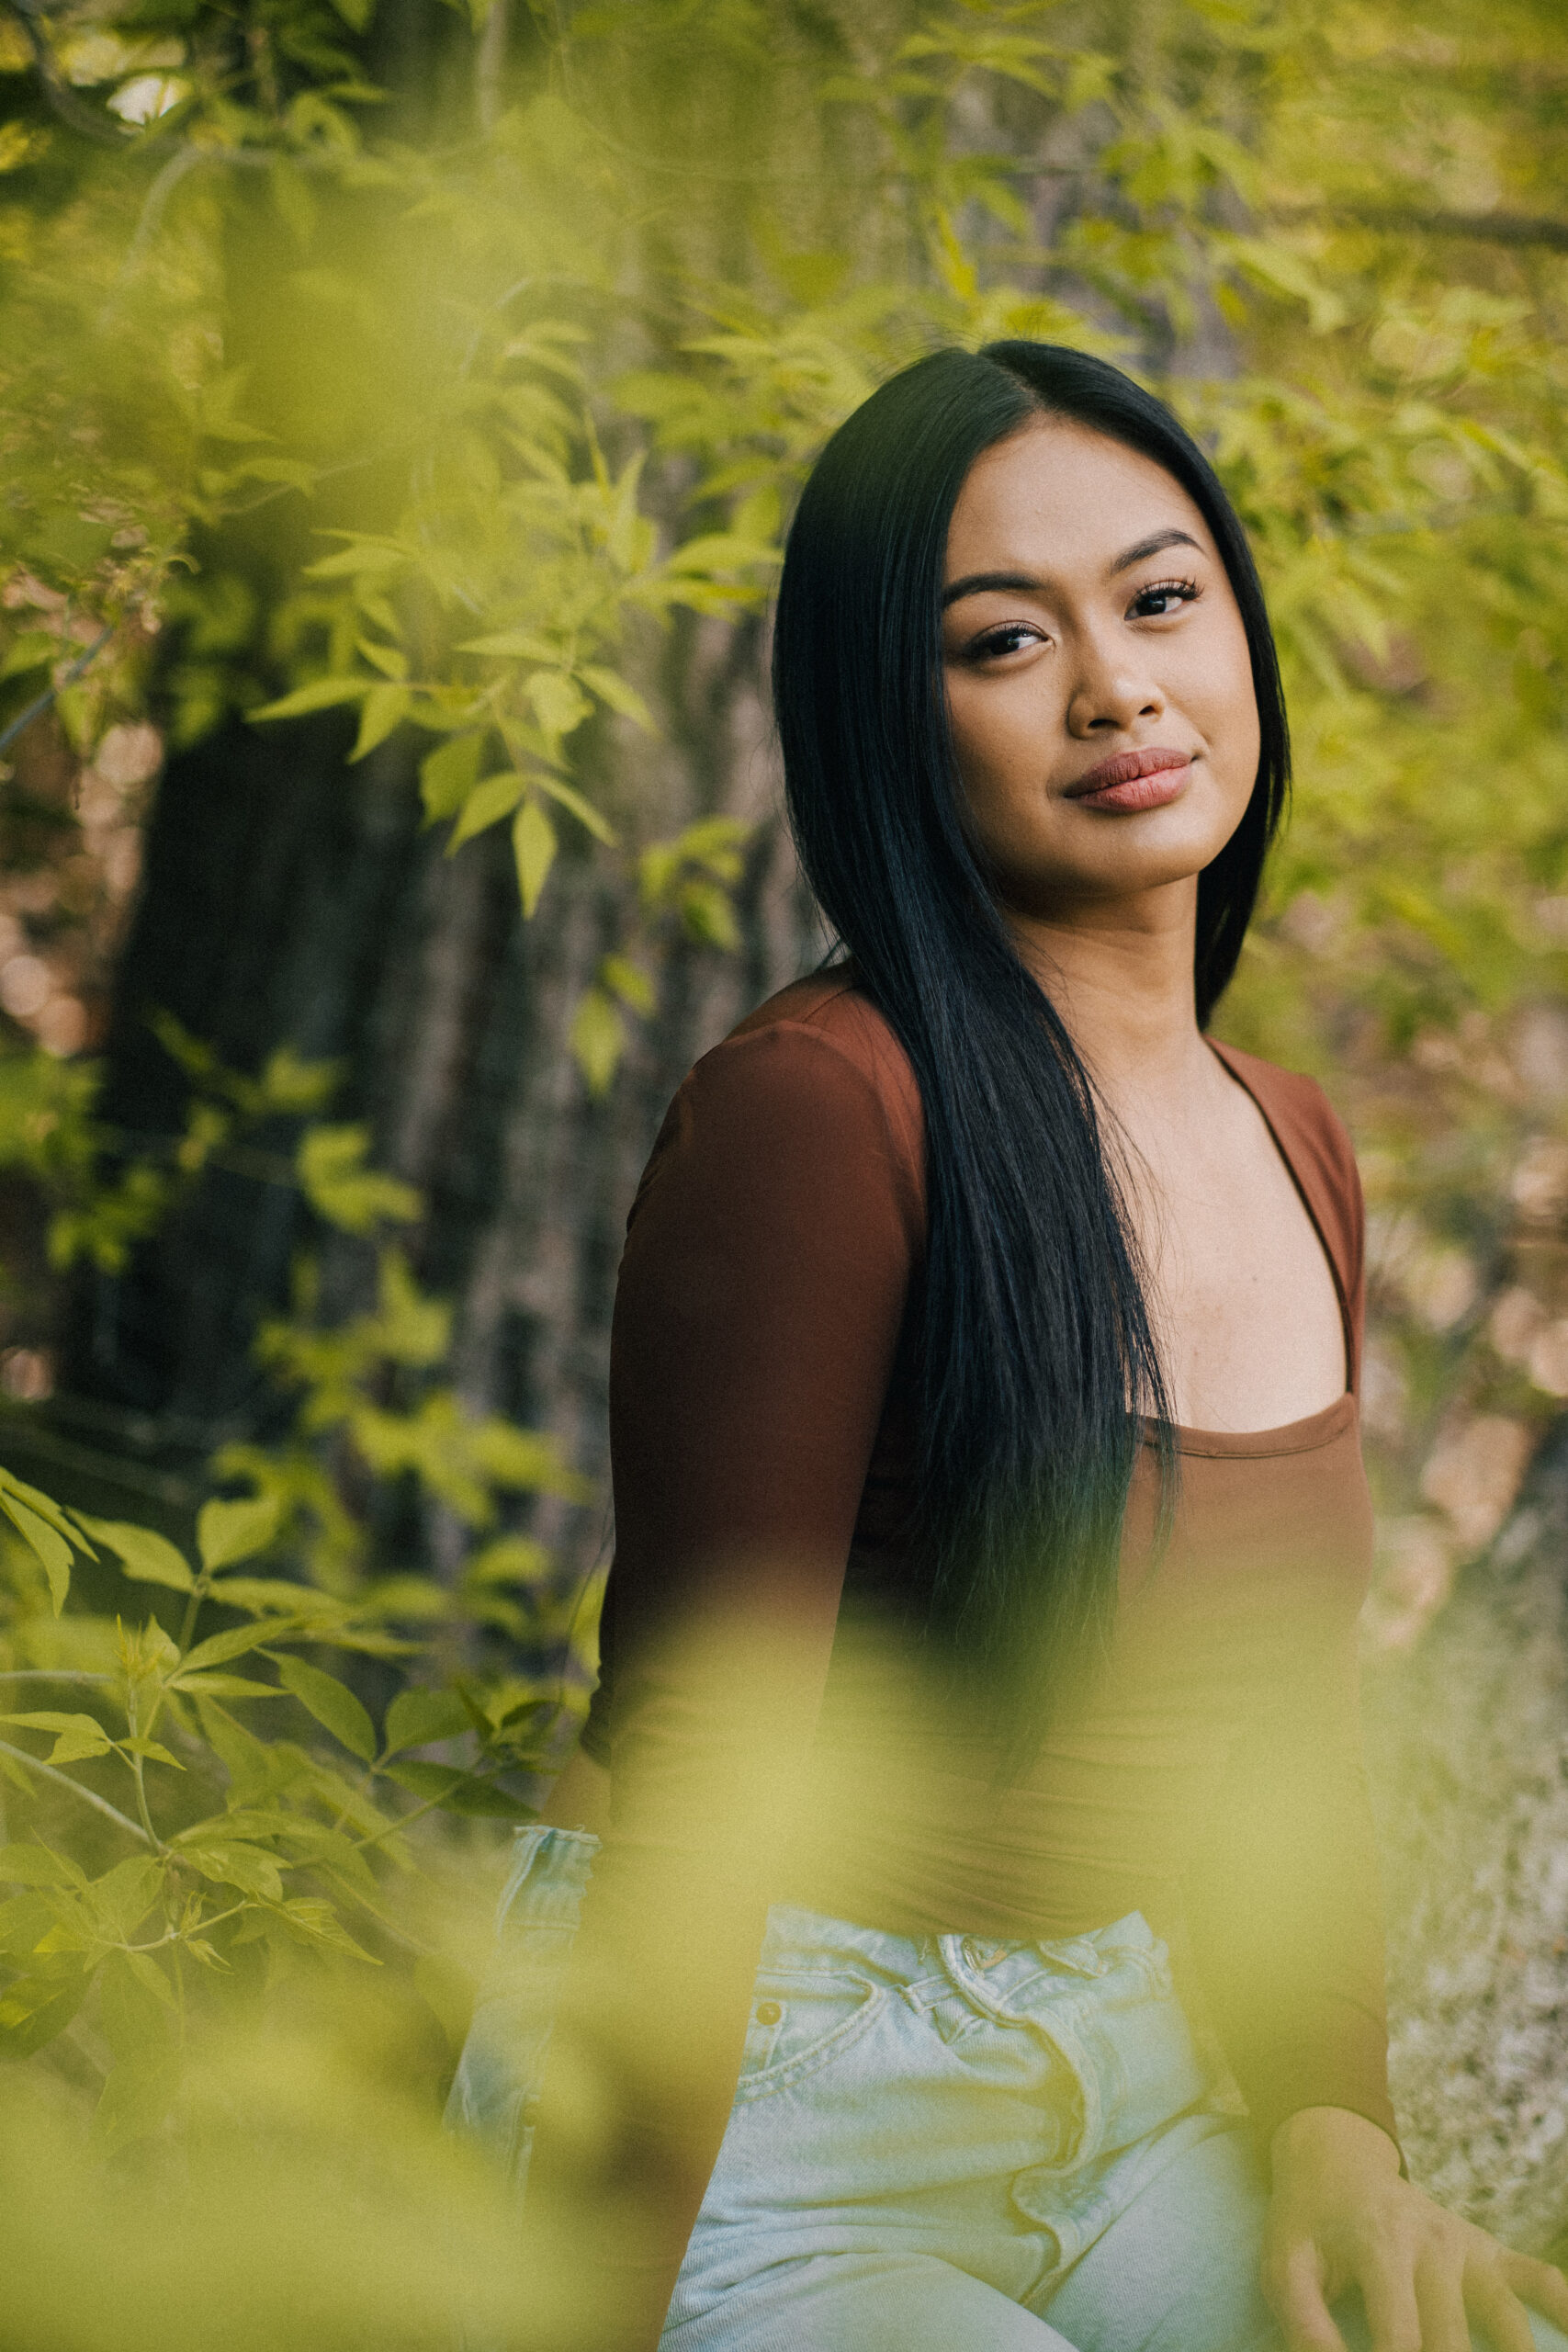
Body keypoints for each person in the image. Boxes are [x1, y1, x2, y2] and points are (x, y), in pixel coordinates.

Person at [448, 344, 1568, 2352]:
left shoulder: (1291, 1132)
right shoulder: (822, 1109)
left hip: (1124, 2076)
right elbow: (709, 1780)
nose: (1115, 685)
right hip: (755, 2103)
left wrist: (1333, 2126)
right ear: (894, 720)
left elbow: (1284, 1726)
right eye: (999, 639)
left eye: (1157, 599)